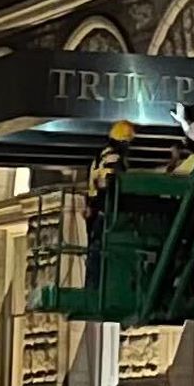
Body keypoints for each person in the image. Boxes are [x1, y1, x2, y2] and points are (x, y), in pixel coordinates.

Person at [84, 120, 133, 287]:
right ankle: (98, 285)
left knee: (96, 250)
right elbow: (109, 183)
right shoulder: (112, 157)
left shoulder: (101, 155)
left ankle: (94, 284)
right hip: (103, 209)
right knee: (101, 249)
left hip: (95, 208)